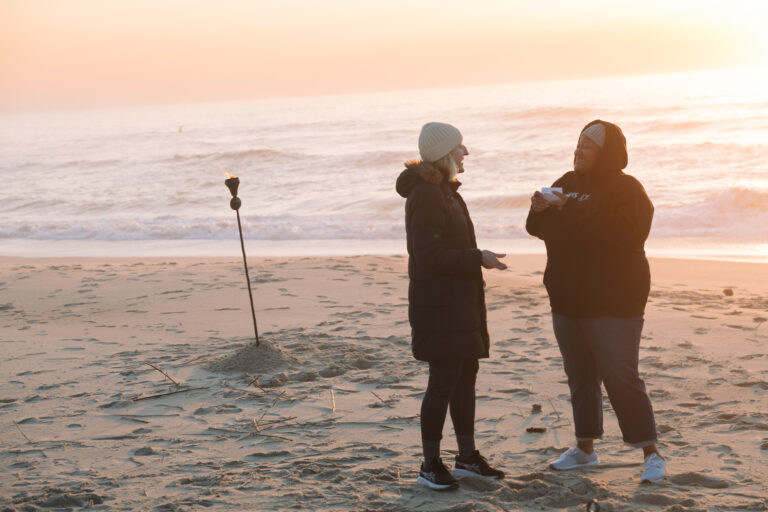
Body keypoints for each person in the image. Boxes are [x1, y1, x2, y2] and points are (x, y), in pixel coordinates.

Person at [525, 120, 666, 484]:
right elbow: (538, 229)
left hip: (614, 300)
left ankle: (651, 453)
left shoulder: (627, 188)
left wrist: (569, 208)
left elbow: (628, 233)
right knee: (581, 376)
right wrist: (538, 210)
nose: (578, 151)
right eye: (577, 144)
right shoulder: (566, 182)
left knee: (620, 376)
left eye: (587, 146)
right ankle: (585, 449)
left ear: (607, 152)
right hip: (567, 298)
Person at [396, 122, 507, 491]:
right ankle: (430, 464)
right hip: (439, 307)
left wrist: (476, 258)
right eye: (460, 146)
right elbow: (427, 256)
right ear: (445, 153)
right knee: (443, 381)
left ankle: (467, 458)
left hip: (458, 304)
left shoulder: (445, 190)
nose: (466, 152)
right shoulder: (427, 194)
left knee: (465, 377)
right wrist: (478, 257)